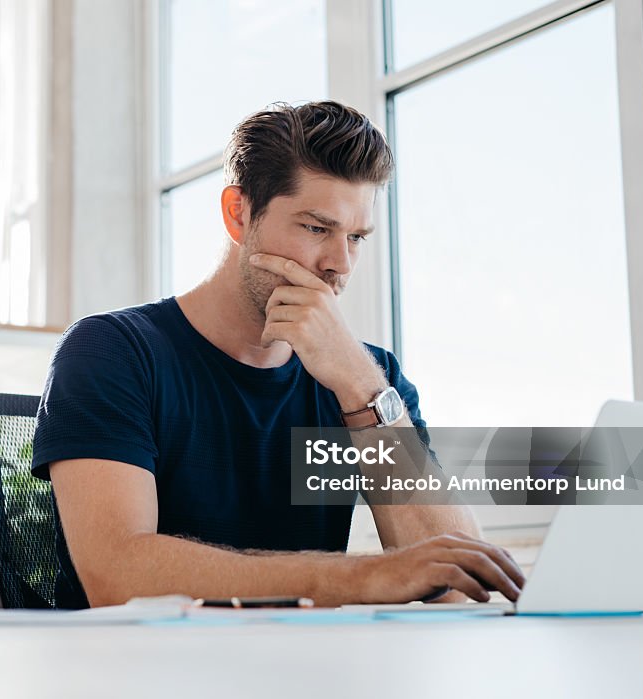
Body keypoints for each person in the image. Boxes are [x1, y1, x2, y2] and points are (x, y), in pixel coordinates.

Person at [32, 101, 525, 609]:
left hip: (302, 674)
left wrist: (361, 387)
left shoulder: (368, 380)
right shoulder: (113, 352)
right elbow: (118, 576)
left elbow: (462, 589)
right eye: (316, 229)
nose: (339, 264)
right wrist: (353, 578)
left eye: (355, 237)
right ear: (238, 213)